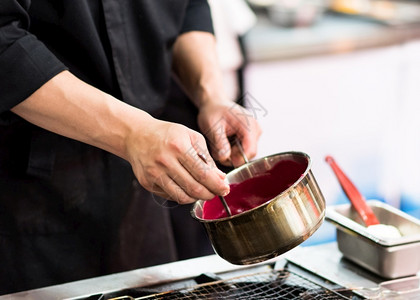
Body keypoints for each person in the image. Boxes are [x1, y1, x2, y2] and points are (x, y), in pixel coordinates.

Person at [0, 0, 261, 295]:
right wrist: (131, 133)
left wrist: (210, 96)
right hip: (27, 197)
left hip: (142, 192)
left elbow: (188, 7)